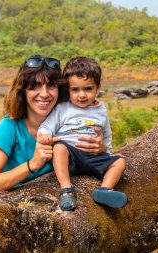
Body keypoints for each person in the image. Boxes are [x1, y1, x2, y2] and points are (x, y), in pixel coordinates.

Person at [0, 55, 107, 196]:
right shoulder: (10, 127)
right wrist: (33, 164)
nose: (44, 94)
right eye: (35, 86)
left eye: (51, 85)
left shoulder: (69, 126)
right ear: (22, 91)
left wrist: (101, 149)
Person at [37, 56, 127, 211]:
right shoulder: (63, 108)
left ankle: (104, 190)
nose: (82, 95)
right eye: (75, 90)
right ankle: (66, 190)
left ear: (98, 88)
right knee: (59, 148)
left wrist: (107, 151)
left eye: (88, 89)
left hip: (93, 156)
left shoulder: (101, 109)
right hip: (71, 155)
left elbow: (106, 133)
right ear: (68, 89)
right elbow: (46, 126)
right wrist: (45, 134)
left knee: (119, 162)